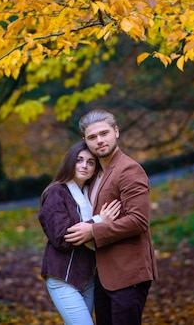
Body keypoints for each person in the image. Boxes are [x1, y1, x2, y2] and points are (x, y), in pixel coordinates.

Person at [64, 109, 158, 325]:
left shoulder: (129, 170)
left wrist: (93, 230)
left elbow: (138, 221)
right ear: (85, 141)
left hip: (128, 273)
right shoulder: (95, 174)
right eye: (92, 137)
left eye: (104, 133)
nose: (99, 141)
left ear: (116, 131)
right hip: (103, 276)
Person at [39, 141, 121, 325]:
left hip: (88, 276)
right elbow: (61, 238)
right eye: (79, 160)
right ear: (70, 162)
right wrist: (99, 221)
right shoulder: (55, 193)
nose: (84, 166)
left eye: (90, 162)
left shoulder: (90, 193)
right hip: (62, 277)